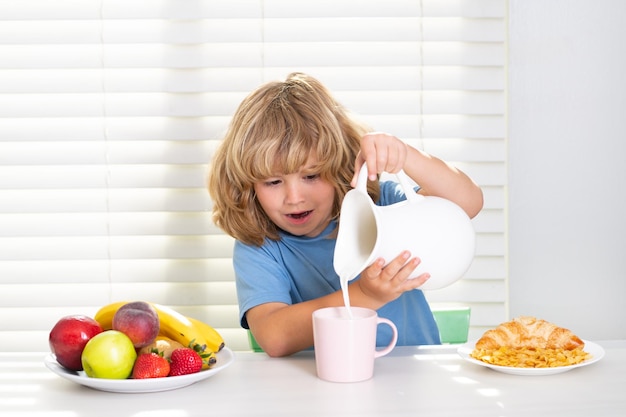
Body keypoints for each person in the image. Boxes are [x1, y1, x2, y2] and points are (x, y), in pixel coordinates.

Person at [208, 72, 483, 357]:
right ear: (247, 185)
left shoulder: (381, 204)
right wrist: (366, 295)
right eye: (273, 182)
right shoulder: (262, 246)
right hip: (322, 385)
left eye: (311, 175)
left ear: (339, 165)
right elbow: (274, 337)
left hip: (413, 379)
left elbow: (468, 203)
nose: (294, 197)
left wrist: (406, 155)